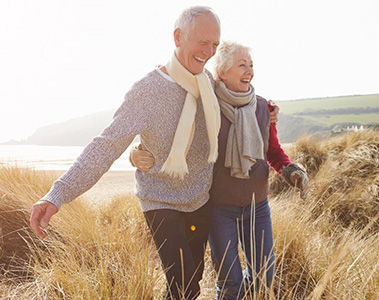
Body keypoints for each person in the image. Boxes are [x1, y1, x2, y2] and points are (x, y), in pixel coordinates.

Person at [30, 6, 222, 300]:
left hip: (200, 198)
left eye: (215, 45)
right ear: (178, 37)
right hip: (160, 199)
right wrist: (58, 193)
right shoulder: (146, 91)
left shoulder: (207, 82)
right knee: (184, 283)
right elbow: (106, 144)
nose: (209, 51)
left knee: (190, 283)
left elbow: (237, 105)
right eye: (203, 41)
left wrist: (267, 113)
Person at [130, 41, 309, 299]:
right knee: (229, 282)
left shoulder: (262, 108)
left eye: (251, 65)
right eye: (241, 65)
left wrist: (290, 169)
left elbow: (272, 152)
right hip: (218, 210)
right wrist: (137, 153)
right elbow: (172, 139)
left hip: (257, 207)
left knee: (263, 276)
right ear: (222, 72)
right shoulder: (205, 107)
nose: (249, 71)